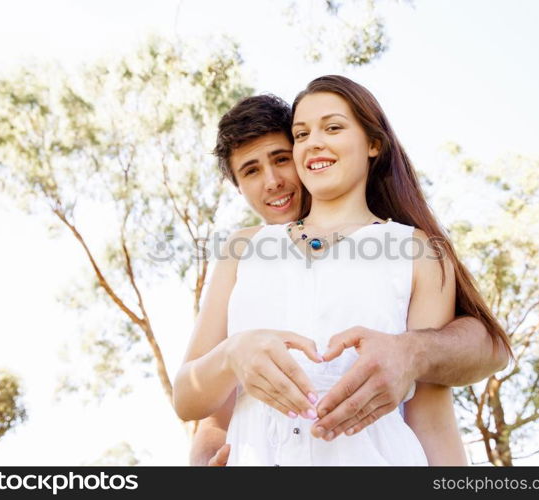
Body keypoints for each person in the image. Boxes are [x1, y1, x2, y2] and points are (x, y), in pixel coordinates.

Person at [174, 83, 512, 465]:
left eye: (332, 128)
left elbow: (432, 419)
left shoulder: (417, 250)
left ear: (373, 144)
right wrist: (232, 355)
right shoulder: (244, 250)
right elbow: (191, 400)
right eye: (302, 134)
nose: (314, 143)